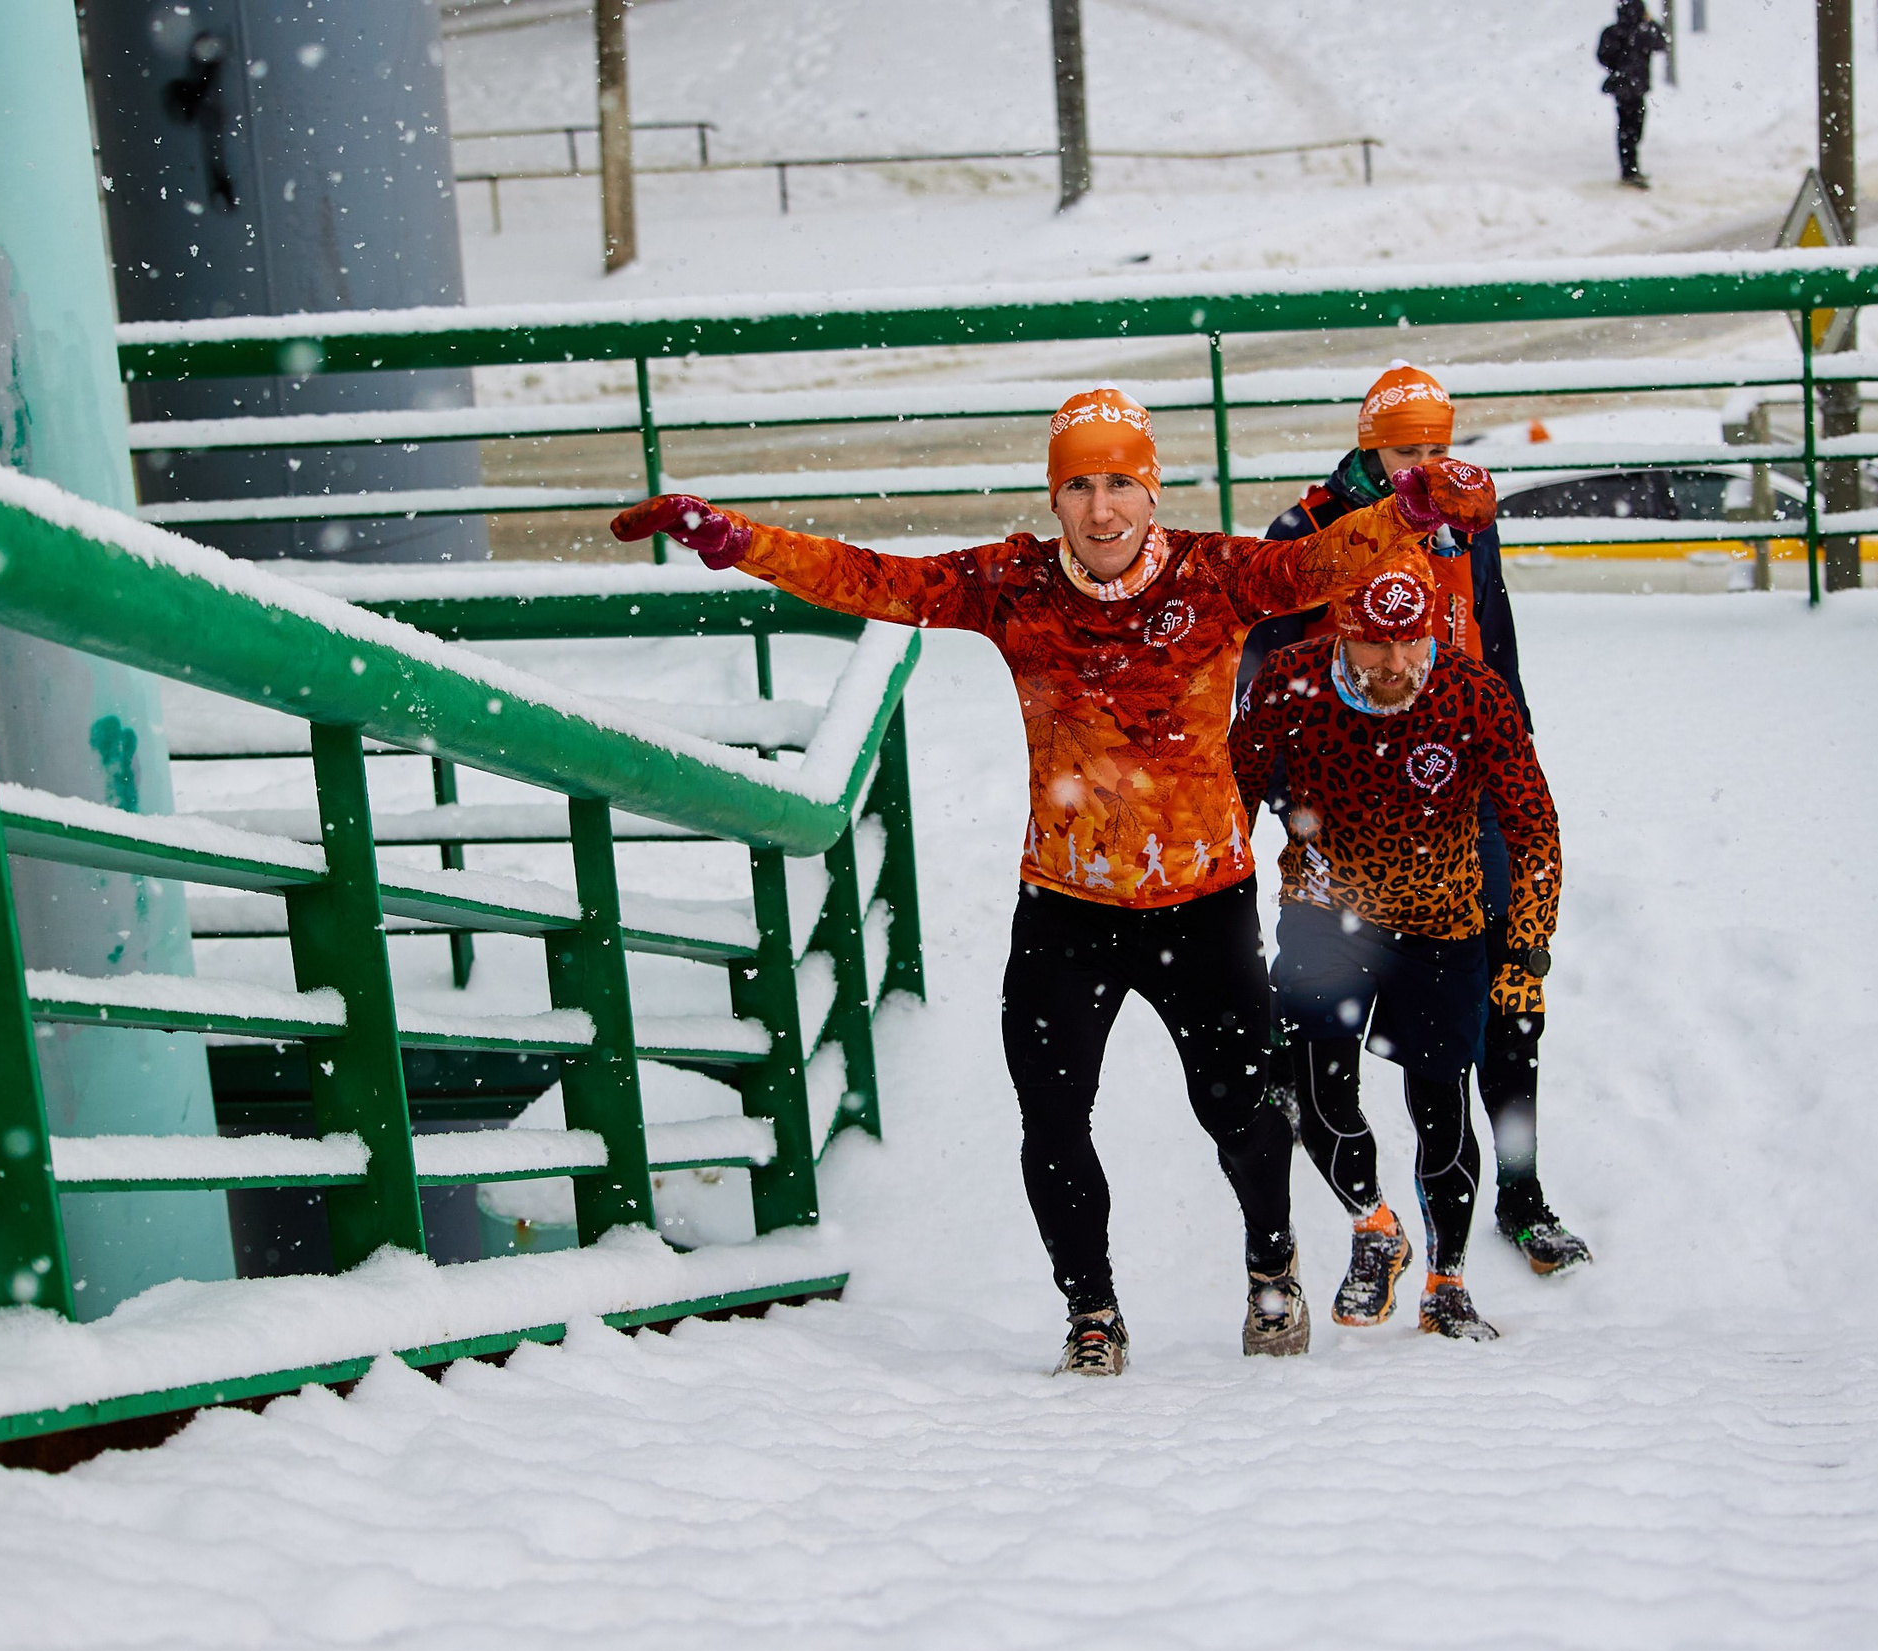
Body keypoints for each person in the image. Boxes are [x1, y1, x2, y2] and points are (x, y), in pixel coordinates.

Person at [611, 389, 1495, 1377]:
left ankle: (1271, 1266)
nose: (1100, 509)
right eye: (1078, 486)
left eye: (1119, 483)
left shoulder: (1215, 575)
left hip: (1202, 905)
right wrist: (738, 541)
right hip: (1066, 910)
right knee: (1053, 1116)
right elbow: (876, 580)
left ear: (1151, 490)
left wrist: (1410, 509)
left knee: (1242, 1112)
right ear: (1054, 496)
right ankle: (1092, 1309)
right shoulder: (1013, 583)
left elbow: (1318, 565)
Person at [1247, 364, 1589, 1284]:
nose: (1425, 465)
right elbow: (1262, 680)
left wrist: (1514, 752)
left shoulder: (1467, 519)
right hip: (1349, 806)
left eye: (1438, 446)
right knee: (1331, 1010)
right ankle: (1345, 1177)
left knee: (1511, 992)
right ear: (1369, 445)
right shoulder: (1307, 531)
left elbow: (1495, 637)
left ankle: (1520, 1192)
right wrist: (1294, 803)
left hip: (1463, 784)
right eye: (1406, 449)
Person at [1231, 560, 1562, 1339]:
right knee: (1317, 1098)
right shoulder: (1289, 682)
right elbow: (1231, 796)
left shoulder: (1473, 693)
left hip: (1441, 919)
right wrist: (1221, 923)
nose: (1397, 663)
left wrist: (1527, 949)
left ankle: (1448, 1282)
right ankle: (1374, 1225)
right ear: (1343, 630)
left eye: (1412, 641)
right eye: (1377, 644)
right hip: (1324, 910)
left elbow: (1535, 826)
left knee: (1441, 1107)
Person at [1596, 0, 1670, 188]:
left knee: (1626, 128)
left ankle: (1630, 169)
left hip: (1623, 86)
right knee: (1633, 128)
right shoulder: (1644, 31)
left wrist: (1617, 68)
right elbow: (1662, 42)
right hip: (1636, 87)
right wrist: (1649, 21)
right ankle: (1630, 171)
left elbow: (1603, 56)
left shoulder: (1613, 32)